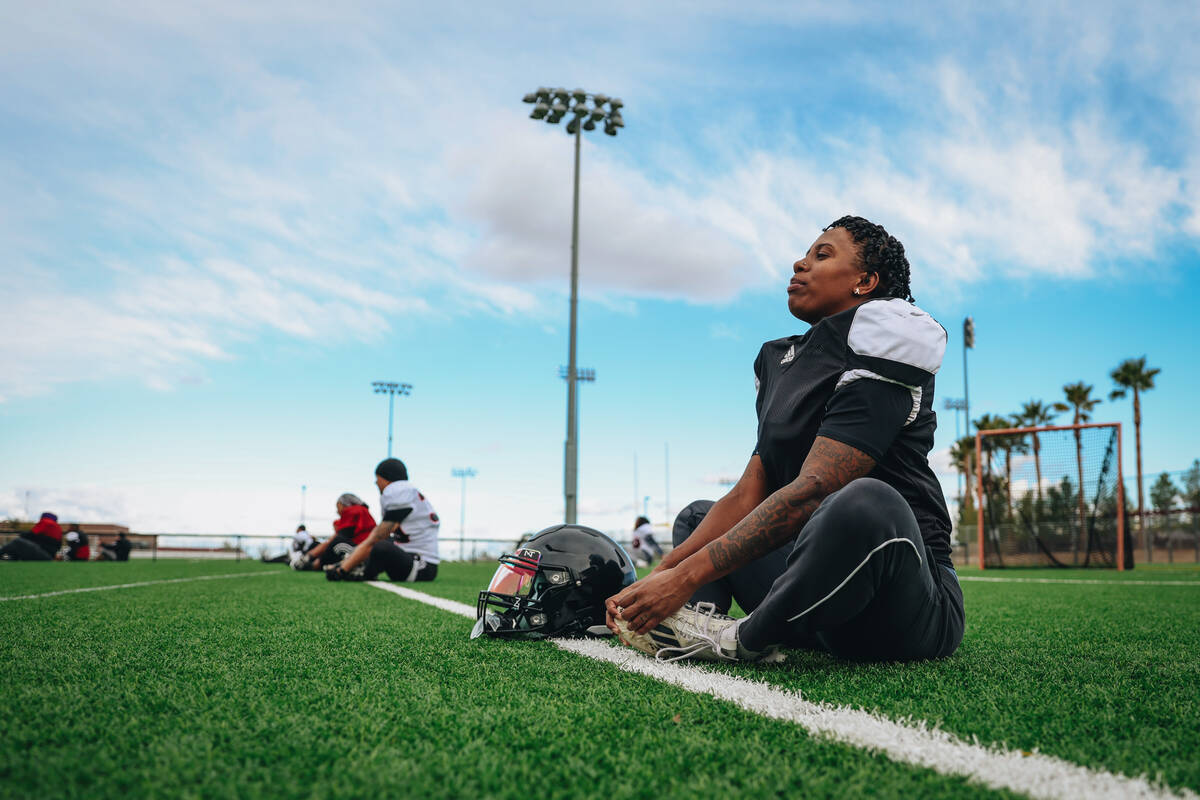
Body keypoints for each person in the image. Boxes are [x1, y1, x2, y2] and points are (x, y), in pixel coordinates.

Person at [607, 215, 964, 664]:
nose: (800, 263)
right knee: (699, 516)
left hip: (903, 602)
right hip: (820, 604)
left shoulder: (886, 332)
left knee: (866, 500)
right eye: (806, 253)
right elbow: (747, 495)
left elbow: (816, 490)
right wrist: (662, 575)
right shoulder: (780, 360)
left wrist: (685, 575)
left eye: (822, 255)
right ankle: (680, 625)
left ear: (866, 281)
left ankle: (742, 639)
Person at [327, 458, 440, 583]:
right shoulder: (409, 491)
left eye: (377, 478)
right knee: (384, 542)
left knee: (381, 545)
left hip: (420, 566)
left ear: (385, 477)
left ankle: (362, 571)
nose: (376, 482)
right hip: (417, 560)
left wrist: (342, 569)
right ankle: (359, 567)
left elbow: (377, 537)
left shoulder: (397, 489)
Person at [300, 494, 376, 570]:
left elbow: (337, 538)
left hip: (362, 549)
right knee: (335, 544)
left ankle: (315, 565)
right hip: (368, 548)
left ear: (342, 504)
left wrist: (310, 556)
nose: (337, 511)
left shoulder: (351, 511)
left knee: (337, 543)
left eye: (337, 506)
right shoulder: (363, 510)